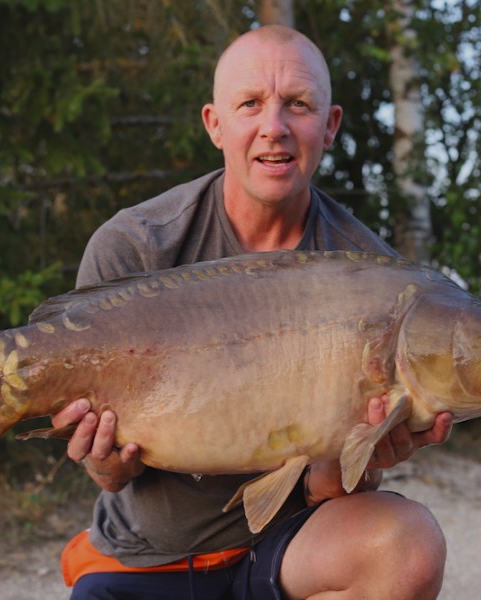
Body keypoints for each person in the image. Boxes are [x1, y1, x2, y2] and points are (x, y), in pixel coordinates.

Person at [51, 25, 454, 600]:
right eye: (250, 104)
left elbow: (326, 490)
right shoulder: (137, 246)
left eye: (298, 104)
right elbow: (112, 474)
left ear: (330, 125)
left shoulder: (375, 280)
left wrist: (361, 458)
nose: (274, 126)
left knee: (407, 546)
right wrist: (104, 460)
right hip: (149, 558)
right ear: (214, 123)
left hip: (286, 553)